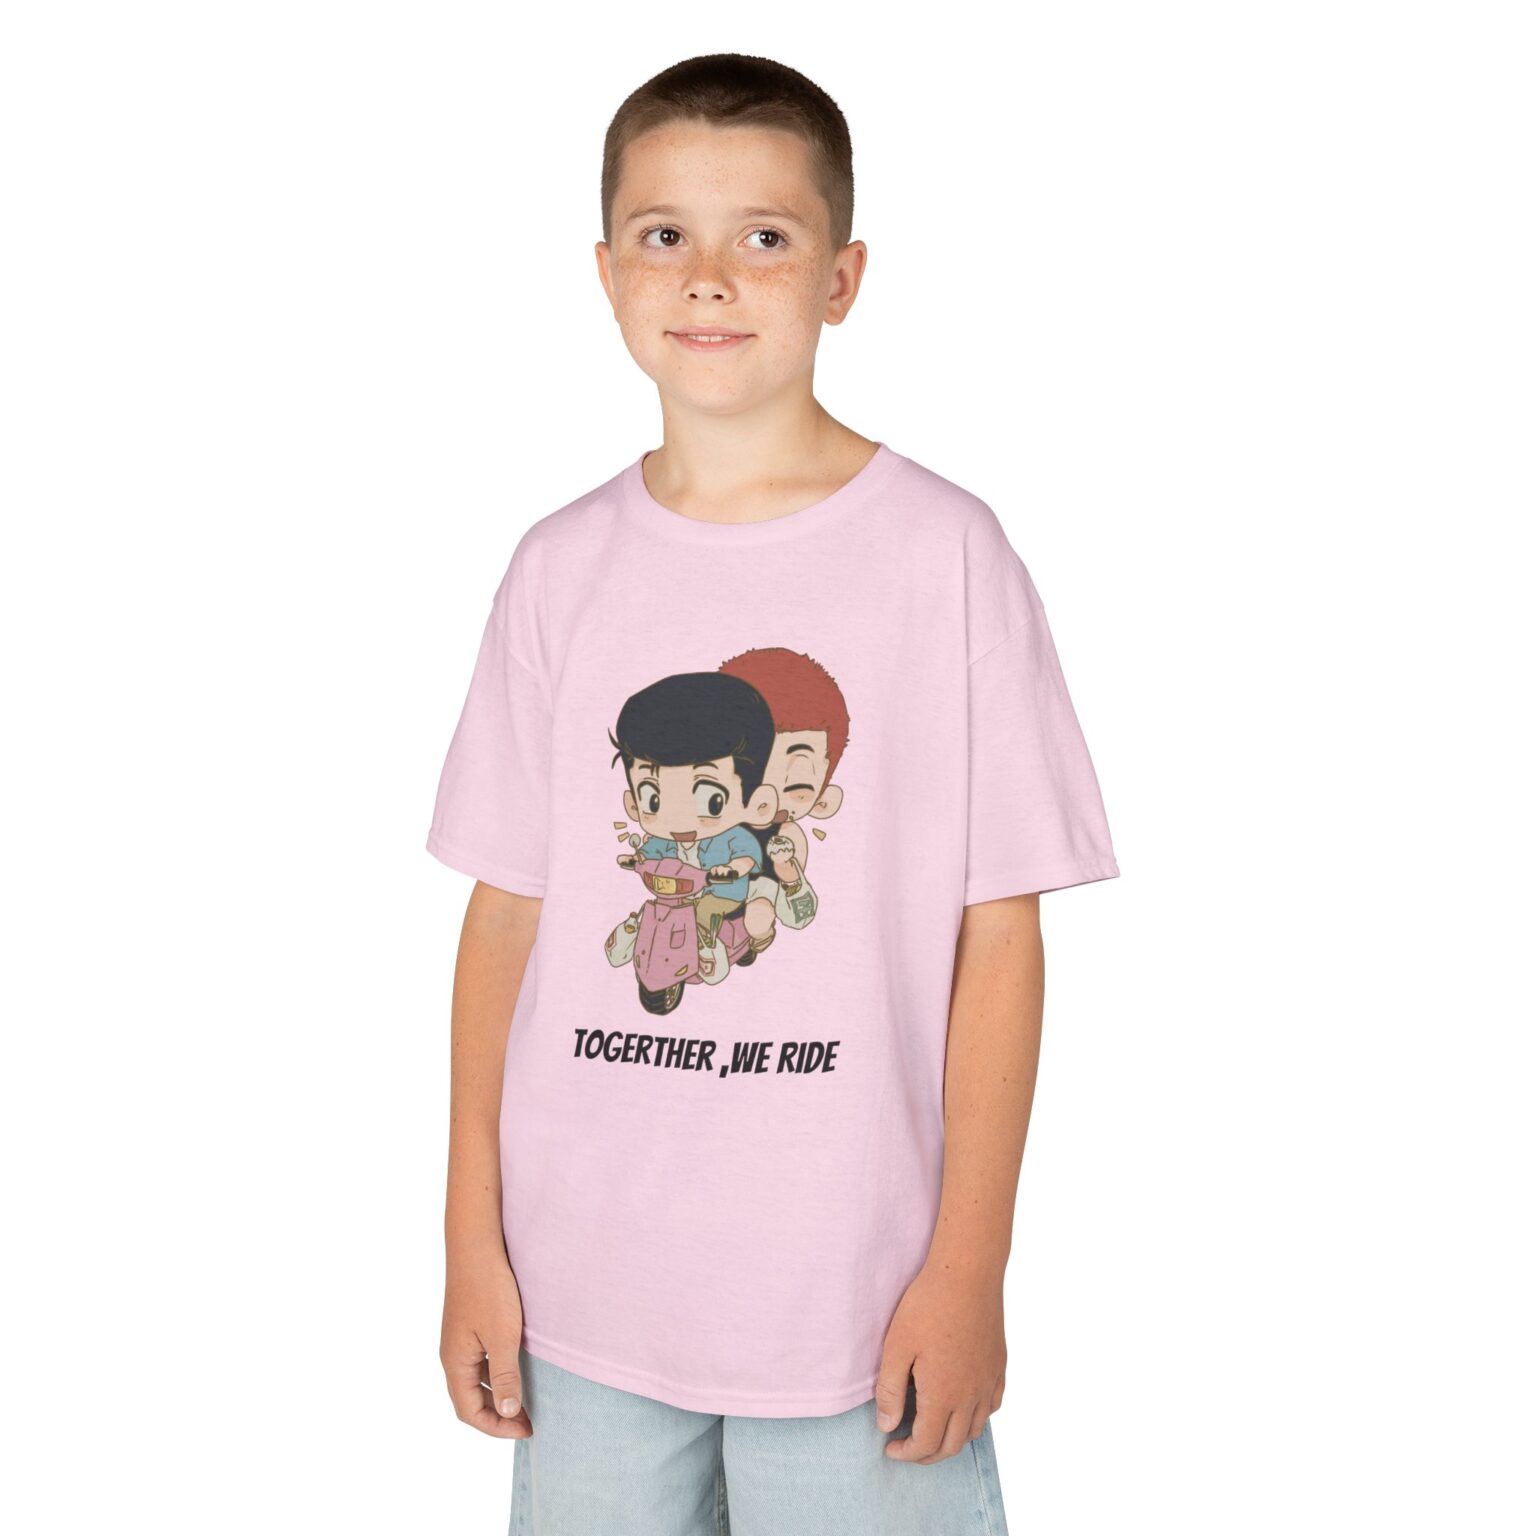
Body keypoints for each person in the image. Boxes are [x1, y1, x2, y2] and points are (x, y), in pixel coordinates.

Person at [426, 52, 1119, 1536]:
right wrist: (469, 1241)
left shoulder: (946, 557)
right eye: (664, 233)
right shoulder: (558, 567)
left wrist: (969, 1270)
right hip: (584, 1299)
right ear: (605, 273)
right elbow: (507, 918)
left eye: (765, 235)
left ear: (843, 276)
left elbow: (1000, 941)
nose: (710, 276)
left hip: (858, 1309)